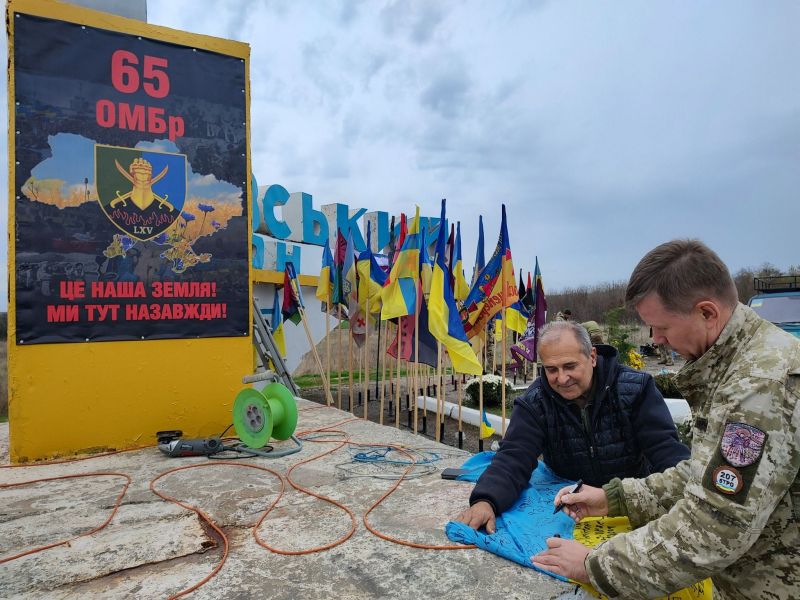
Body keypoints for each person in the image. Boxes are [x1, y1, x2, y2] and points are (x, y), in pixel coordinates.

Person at [532, 239, 800, 599]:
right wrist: (615, 499)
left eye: (662, 328)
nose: (656, 340)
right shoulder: (740, 365)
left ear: (707, 313)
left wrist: (595, 565)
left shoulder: (758, 386)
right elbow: (705, 474)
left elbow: (715, 527)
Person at [455, 320, 689, 534]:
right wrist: (486, 500)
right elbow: (514, 456)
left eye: (569, 366)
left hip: (630, 499)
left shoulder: (636, 389)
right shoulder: (534, 402)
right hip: (569, 507)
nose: (562, 378)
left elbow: (667, 452)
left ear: (592, 356)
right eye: (551, 369)